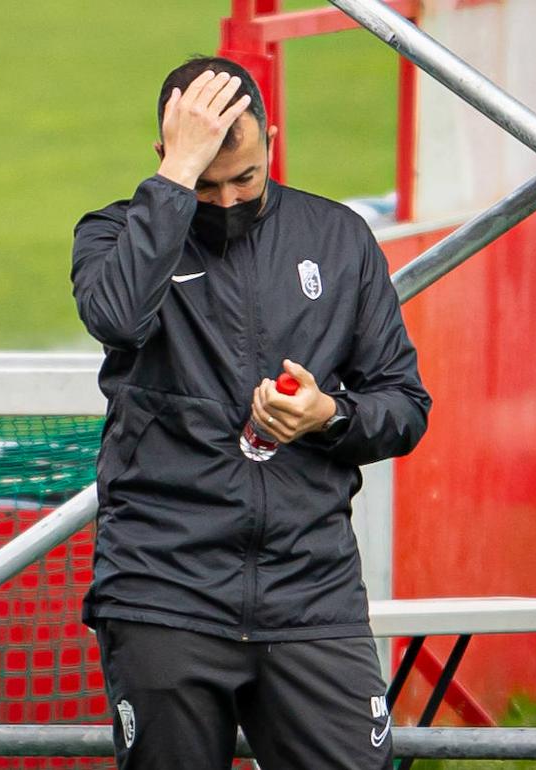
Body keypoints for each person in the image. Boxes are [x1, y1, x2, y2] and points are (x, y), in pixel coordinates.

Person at [70, 56, 431, 769]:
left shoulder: (338, 239)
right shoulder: (115, 234)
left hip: (311, 593)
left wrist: (329, 416)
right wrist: (175, 184)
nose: (229, 201)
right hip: (164, 590)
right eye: (207, 185)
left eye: (246, 179)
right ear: (165, 155)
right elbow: (115, 317)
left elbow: (404, 405)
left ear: (273, 140)